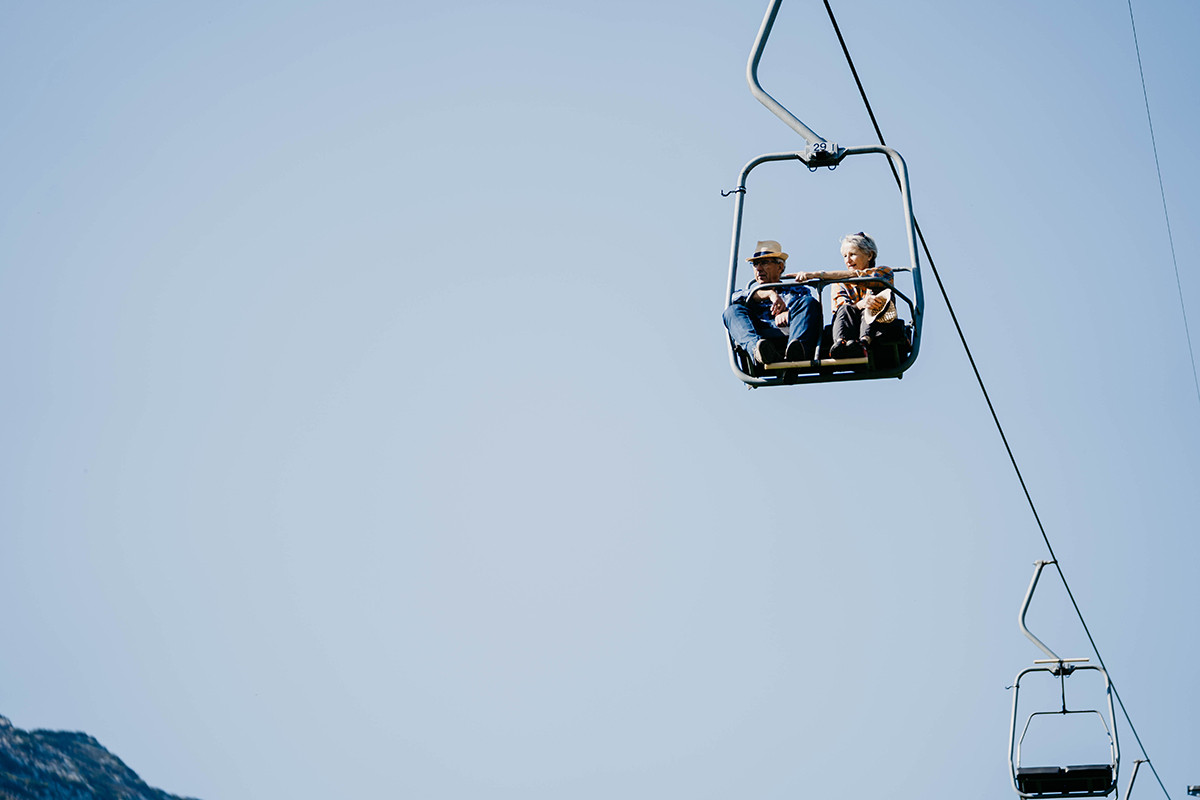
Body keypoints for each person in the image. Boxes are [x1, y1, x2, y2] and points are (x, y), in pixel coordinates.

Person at [791, 232, 894, 360]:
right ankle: (840, 343)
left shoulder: (884, 272)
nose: (848, 260)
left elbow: (859, 276)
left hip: (878, 322)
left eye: (853, 254)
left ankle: (864, 342)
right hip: (852, 324)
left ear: (869, 255)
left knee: (874, 299)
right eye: (845, 256)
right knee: (844, 308)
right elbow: (839, 307)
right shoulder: (840, 283)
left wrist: (819, 275)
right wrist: (860, 304)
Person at [723, 240, 822, 366]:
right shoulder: (750, 295)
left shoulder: (796, 291)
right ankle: (758, 351)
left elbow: (809, 310)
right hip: (761, 334)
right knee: (731, 311)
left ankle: (797, 351)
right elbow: (734, 298)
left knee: (809, 303)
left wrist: (788, 314)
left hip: (790, 332)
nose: (759, 269)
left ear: (780, 267)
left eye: (764, 263)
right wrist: (770, 294)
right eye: (755, 264)